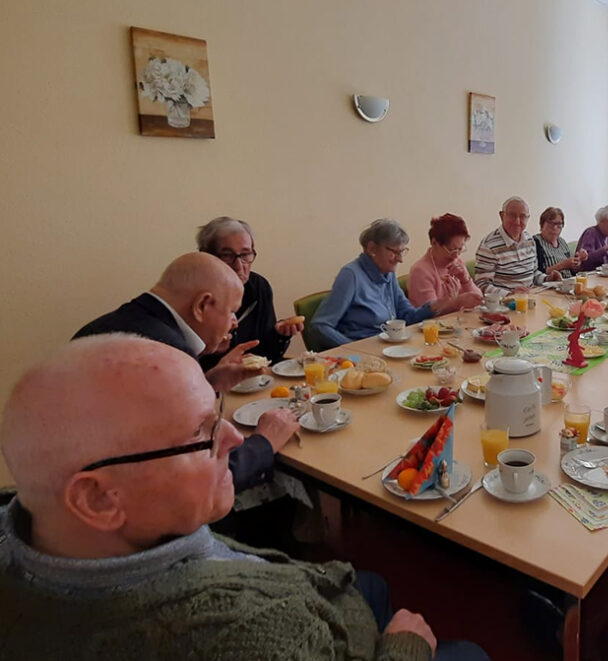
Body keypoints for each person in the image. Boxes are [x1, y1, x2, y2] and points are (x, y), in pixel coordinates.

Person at [0, 334, 489, 661]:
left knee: (374, 585)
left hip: (318, 593)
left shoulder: (40, 528)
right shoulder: (256, 632)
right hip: (332, 629)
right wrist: (402, 647)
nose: (235, 440)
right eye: (202, 433)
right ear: (98, 500)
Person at [72, 253, 298, 492]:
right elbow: (197, 476)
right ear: (202, 305)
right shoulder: (169, 356)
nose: (234, 323)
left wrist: (208, 383)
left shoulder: (116, 324)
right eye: (232, 311)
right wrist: (264, 442)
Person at [310, 219, 479, 349]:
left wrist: (439, 304)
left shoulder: (387, 274)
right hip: (364, 354)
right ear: (371, 248)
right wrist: (353, 350)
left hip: (388, 348)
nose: (400, 258)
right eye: (394, 252)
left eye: (403, 251)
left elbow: (407, 316)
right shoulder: (351, 275)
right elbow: (320, 326)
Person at [196, 216, 302, 369]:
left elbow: (267, 356)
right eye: (227, 255)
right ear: (207, 256)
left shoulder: (258, 287)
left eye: (245, 255)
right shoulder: (193, 295)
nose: (239, 266)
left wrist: (280, 336)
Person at [407, 213, 483, 308]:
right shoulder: (420, 272)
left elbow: (479, 299)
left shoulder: (457, 262)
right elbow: (430, 313)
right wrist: (454, 302)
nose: (456, 255)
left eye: (460, 249)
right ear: (435, 243)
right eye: (452, 249)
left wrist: (465, 280)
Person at [473, 196, 541, 295]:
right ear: (501, 216)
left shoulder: (530, 240)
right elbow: (482, 285)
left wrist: (548, 278)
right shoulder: (489, 245)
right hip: (504, 304)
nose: (517, 221)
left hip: (528, 299)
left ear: (528, 218)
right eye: (512, 215)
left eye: (522, 216)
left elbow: (533, 274)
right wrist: (510, 294)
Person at [533, 206, 588, 281]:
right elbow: (537, 273)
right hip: (550, 286)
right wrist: (562, 265)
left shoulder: (562, 242)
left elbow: (572, 271)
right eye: (551, 223)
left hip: (568, 283)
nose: (555, 227)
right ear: (542, 224)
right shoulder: (535, 242)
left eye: (559, 224)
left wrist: (578, 261)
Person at [576, 204, 608, 272]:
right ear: (602, 221)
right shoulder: (591, 233)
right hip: (590, 276)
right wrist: (605, 249)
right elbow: (585, 261)